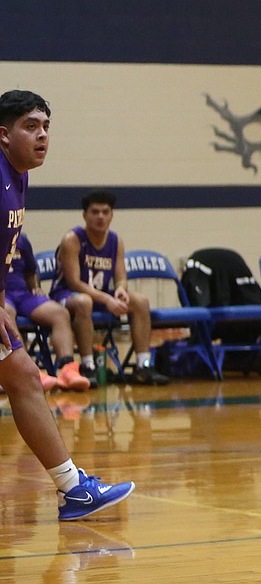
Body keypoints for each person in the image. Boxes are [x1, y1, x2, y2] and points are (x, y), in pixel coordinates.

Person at [0, 90, 134, 519]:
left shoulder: (18, 174)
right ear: (4, 135)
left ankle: (73, 488)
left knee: (22, 376)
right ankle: (73, 488)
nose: (42, 136)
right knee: (23, 377)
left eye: (46, 127)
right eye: (31, 127)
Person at [49, 190, 170, 386]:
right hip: (67, 296)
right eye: (95, 212)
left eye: (105, 212)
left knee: (140, 301)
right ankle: (88, 366)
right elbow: (74, 282)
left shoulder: (116, 241)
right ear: (85, 215)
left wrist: (121, 290)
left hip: (99, 296)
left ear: (112, 215)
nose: (100, 217)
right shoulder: (72, 238)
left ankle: (143, 365)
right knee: (83, 301)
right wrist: (107, 299)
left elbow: (121, 277)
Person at [6, 233, 89, 391]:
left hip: (23, 294)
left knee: (60, 314)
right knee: (6, 315)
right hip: (4, 296)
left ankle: (68, 369)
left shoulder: (21, 238)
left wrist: (35, 287)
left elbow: (30, 271)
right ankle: (28, 372)